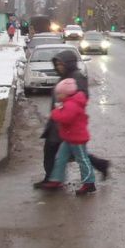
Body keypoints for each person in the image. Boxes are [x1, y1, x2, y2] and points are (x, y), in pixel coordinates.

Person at [34, 51, 110, 185]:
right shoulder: (65, 76)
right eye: (57, 64)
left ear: (68, 64)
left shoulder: (76, 77)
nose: (58, 67)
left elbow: (81, 97)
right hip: (59, 120)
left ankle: (52, 179)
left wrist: (64, 107)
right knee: (71, 153)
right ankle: (100, 165)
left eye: (61, 64)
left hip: (66, 121)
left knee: (55, 151)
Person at [35, 78, 96, 195]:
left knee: (83, 160)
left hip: (77, 139)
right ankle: (56, 179)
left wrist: (55, 112)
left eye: (59, 93)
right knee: (60, 159)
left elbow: (65, 118)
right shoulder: (68, 103)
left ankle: (89, 182)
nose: (57, 95)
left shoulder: (72, 104)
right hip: (68, 138)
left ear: (66, 93)